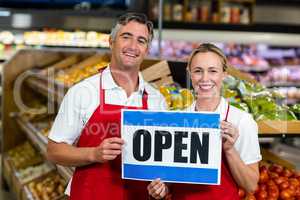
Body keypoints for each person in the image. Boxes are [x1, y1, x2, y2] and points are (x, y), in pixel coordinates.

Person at [46, 13, 167, 200]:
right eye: (126, 37)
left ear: (146, 50)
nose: (133, 47)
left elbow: (162, 163)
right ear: (111, 42)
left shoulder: (156, 100)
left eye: (141, 41)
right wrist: (94, 154)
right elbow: (54, 151)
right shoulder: (83, 92)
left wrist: (162, 186)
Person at [147, 43, 262, 200]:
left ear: (224, 75)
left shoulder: (241, 121)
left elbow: (251, 185)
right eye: (198, 71)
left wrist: (229, 150)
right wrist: (161, 189)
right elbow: (171, 181)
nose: (205, 78)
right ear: (190, 74)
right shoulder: (178, 120)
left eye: (213, 71)